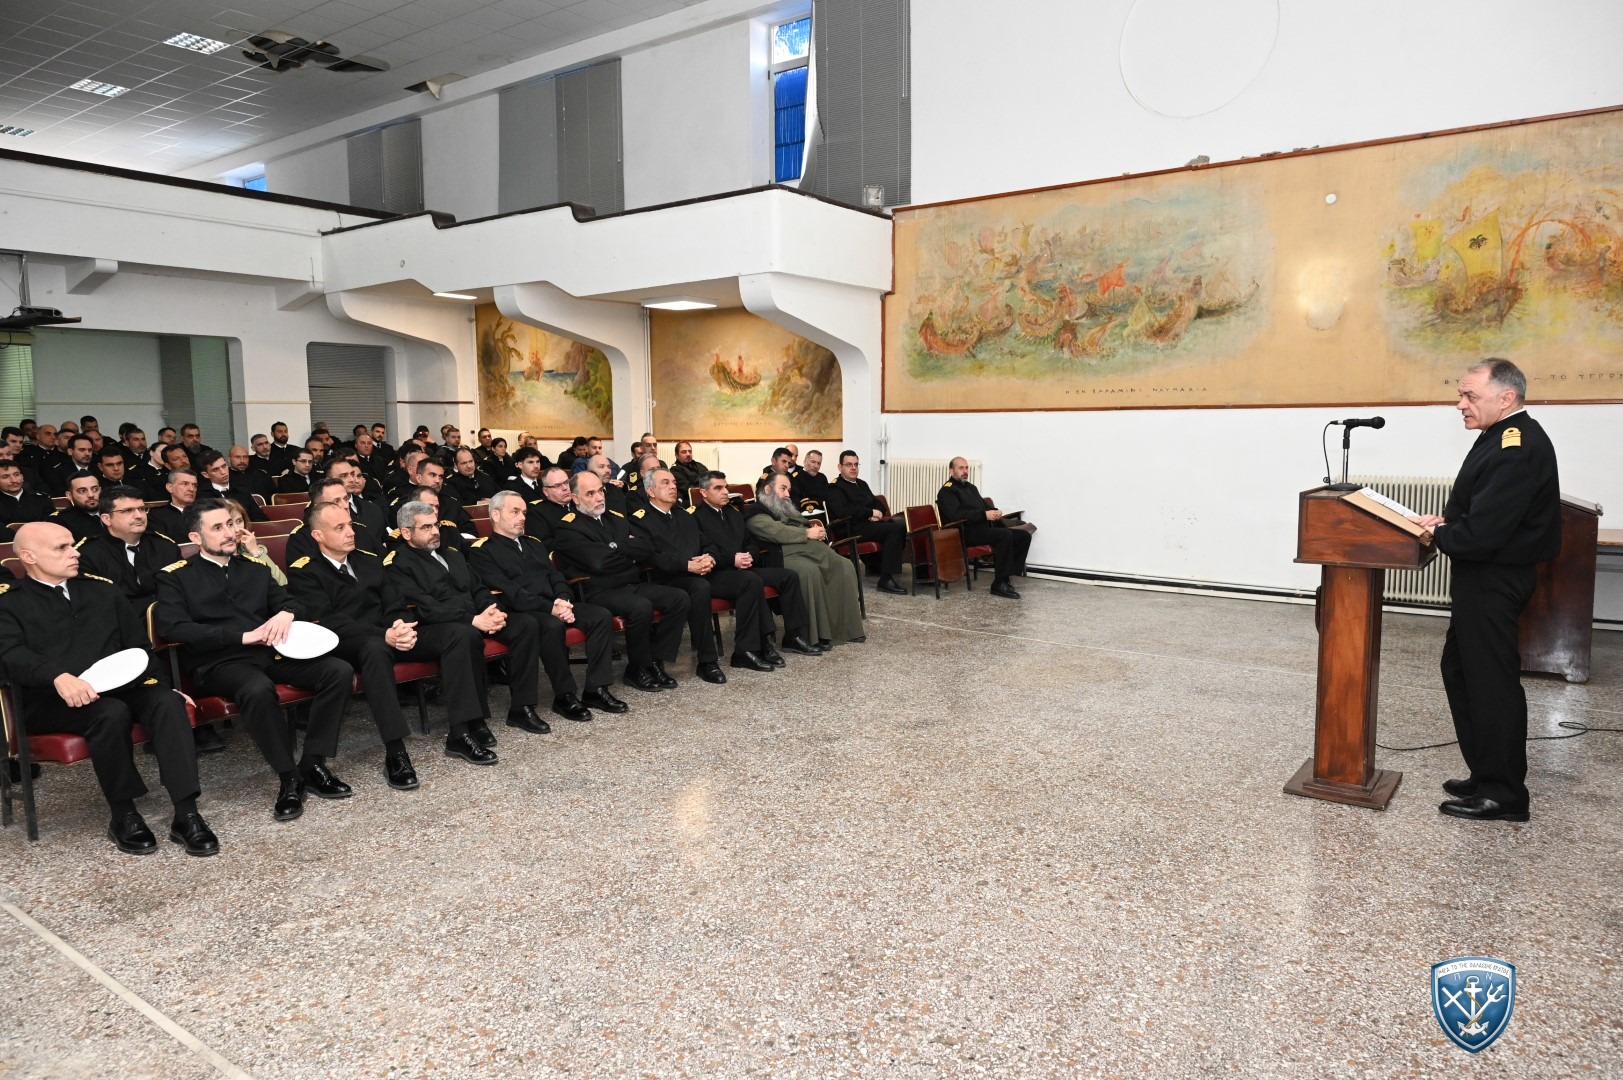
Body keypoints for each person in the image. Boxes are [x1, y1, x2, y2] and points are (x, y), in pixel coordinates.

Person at [0, 523, 217, 856]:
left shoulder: (102, 590)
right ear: (28, 557)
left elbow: (138, 647)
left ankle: (186, 813)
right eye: (61, 548)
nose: (74, 553)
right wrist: (56, 676)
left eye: (72, 544)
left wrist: (162, 685)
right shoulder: (9, 603)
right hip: (51, 699)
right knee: (109, 713)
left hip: (120, 686)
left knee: (165, 702)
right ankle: (123, 815)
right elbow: (10, 654)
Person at [1406, 359, 1561, 823]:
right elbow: (1486, 512)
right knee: (1461, 670)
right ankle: (1486, 772)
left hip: (1495, 577)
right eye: (1462, 394)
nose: (1461, 404)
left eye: (1470, 395)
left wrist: (1442, 533)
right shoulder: (1502, 436)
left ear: (1506, 397)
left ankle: (1504, 793)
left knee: (1491, 682)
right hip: (1484, 575)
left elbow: (1486, 532)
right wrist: (1450, 524)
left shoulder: (1517, 444)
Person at [155, 498, 356, 822]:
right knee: (257, 689)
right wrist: (241, 637)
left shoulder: (256, 569)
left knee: (338, 671)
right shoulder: (175, 576)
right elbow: (173, 627)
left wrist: (286, 613)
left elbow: (294, 602)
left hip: (269, 654)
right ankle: (289, 777)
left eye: (230, 524)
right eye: (217, 528)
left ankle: (313, 762)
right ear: (195, 537)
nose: (229, 532)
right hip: (219, 663)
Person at [288, 501, 474, 790]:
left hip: (388, 635)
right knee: (374, 649)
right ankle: (396, 752)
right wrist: (384, 634)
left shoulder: (369, 560)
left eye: (350, 525)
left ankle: (460, 733)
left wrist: (400, 625)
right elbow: (331, 622)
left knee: (457, 633)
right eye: (340, 528)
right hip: (346, 643)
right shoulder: (305, 571)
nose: (351, 532)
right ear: (318, 536)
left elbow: (394, 601)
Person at [384, 500, 549, 761]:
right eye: (426, 527)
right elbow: (425, 608)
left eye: (436, 525)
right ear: (406, 532)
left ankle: (522, 707)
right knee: (464, 635)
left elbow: (478, 588)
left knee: (526, 624)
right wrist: (473, 620)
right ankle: (461, 732)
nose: (435, 531)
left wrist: (492, 610)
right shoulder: (399, 563)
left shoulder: (452, 554)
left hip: (473, 619)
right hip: (435, 628)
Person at [468, 490, 629, 719]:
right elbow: (510, 591)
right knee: (551, 625)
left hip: (554, 605)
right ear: (495, 514)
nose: (522, 517)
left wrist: (563, 599)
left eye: (524, 512)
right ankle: (565, 696)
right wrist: (551, 608)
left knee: (600, 616)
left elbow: (555, 576)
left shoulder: (533, 543)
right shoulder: (482, 551)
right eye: (515, 512)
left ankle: (596, 689)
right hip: (522, 611)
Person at [551, 470, 690, 693]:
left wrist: (615, 548)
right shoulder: (568, 527)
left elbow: (646, 547)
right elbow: (598, 562)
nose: (599, 497)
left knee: (679, 598)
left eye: (600, 491)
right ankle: (637, 668)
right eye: (590, 494)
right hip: (598, 590)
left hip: (630, 583)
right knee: (640, 606)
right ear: (575, 498)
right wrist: (627, 550)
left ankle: (654, 660)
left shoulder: (615, 517)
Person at [639, 468, 785, 676]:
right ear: (651, 491)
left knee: (749, 580)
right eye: (665, 483)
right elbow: (652, 557)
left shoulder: (683, 515)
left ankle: (746, 650)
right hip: (666, 578)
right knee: (700, 588)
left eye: (674, 482)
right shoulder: (641, 519)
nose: (673, 486)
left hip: (700, 573)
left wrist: (710, 558)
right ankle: (707, 661)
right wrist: (687, 565)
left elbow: (707, 544)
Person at [691, 471, 820, 658]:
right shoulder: (695, 518)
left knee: (788, 576)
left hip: (743, 568)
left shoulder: (733, 514)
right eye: (718, 488)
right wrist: (732, 559)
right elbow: (701, 552)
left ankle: (793, 636)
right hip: (717, 573)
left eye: (725, 487)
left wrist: (749, 556)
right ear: (703, 492)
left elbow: (751, 543)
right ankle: (763, 641)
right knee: (751, 581)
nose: (725, 491)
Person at [746, 472, 864, 648]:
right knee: (810, 572)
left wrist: (814, 529)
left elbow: (802, 522)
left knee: (845, 566)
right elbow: (777, 532)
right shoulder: (755, 513)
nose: (787, 494)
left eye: (788, 490)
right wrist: (807, 533)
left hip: (808, 551)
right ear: (768, 489)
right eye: (783, 489)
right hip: (781, 557)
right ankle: (813, 635)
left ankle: (846, 629)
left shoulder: (783, 508)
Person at [936, 457, 1032, 600]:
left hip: (982, 529)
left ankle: (1006, 577)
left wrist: (995, 512)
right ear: (951, 471)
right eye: (961, 468)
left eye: (966, 468)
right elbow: (956, 515)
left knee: (1024, 536)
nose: (965, 471)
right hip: (965, 532)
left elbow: (984, 507)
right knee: (1004, 535)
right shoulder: (946, 491)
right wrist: (984, 515)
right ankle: (999, 584)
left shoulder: (971, 488)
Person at [825, 450, 908, 595]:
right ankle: (885, 579)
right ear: (840, 467)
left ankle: (878, 565)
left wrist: (878, 513)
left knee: (900, 524)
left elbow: (878, 503)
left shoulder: (861, 484)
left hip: (867, 525)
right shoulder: (835, 488)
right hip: (850, 529)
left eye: (856, 464)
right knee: (894, 530)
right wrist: (870, 512)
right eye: (849, 465)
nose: (853, 468)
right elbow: (843, 511)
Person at [199, 450, 267, 521]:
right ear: (206, 474)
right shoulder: (202, 497)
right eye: (215, 470)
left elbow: (260, 518)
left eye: (224, 466)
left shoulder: (242, 490)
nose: (223, 472)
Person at [0, 460, 55, 541]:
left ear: (22, 477)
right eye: (5, 477)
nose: (14, 480)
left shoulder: (41, 498)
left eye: (16, 475)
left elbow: (53, 525)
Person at [51, 473, 105, 544]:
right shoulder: (61, 521)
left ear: (100, 490)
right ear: (69, 495)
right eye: (82, 491)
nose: (91, 495)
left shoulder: (114, 511)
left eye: (95, 489)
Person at [147, 468, 198, 543]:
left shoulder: (205, 512)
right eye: (185, 484)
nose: (191, 489)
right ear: (170, 487)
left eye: (194, 485)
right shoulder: (156, 516)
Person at [527, 466, 575, 543]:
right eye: (557, 485)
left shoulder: (579, 503)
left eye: (566, 482)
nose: (565, 488)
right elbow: (544, 543)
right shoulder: (537, 513)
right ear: (546, 491)